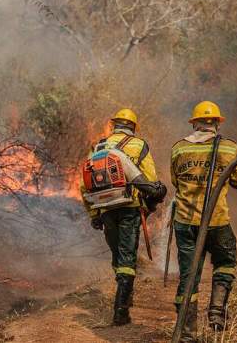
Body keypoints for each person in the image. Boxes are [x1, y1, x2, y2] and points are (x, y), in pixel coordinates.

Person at [170, 101, 237, 341]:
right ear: (216, 123)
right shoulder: (229, 148)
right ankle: (216, 311)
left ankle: (187, 333)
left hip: (185, 221)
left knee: (188, 275)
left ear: (194, 123)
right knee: (225, 260)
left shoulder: (179, 149)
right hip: (216, 220)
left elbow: (175, 181)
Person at [80, 108, 166, 326]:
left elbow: (85, 185)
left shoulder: (99, 146)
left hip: (105, 209)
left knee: (118, 256)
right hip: (129, 207)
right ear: (133, 127)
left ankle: (124, 297)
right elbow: (151, 180)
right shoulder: (138, 145)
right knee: (127, 258)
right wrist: (150, 205)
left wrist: (94, 214)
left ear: (114, 125)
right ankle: (121, 311)